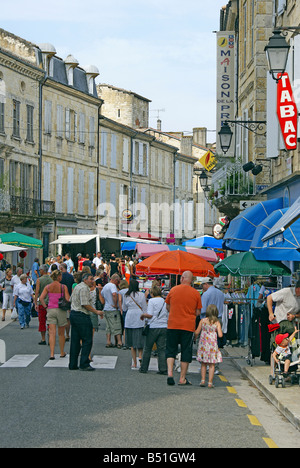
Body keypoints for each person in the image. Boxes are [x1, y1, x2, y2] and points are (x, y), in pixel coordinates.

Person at [165, 271, 202, 386]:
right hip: (188, 326)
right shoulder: (196, 293)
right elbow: (198, 312)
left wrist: (175, 312)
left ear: (182, 278)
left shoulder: (173, 290)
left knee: (171, 349)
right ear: (191, 280)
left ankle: (170, 373)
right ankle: (182, 378)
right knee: (186, 351)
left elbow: (167, 307)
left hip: (173, 324)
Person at [69, 273, 104, 371]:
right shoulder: (84, 288)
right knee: (87, 340)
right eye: (91, 279)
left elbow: (70, 299)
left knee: (75, 341)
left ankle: (73, 363)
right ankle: (84, 363)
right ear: (85, 280)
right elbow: (85, 304)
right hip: (82, 315)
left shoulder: (77, 287)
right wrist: (96, 311)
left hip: (74, 313)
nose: (92, 281)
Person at [39, 270, 70, 360]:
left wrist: (45, 307)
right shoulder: (63, 287)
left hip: (50, 309)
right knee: (61, 333)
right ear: (59, 277)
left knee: (52, 333)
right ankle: (61, 352)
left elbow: (41, 298)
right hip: (61, 310)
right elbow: (68, 299)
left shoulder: (48, 287)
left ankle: (52, 354)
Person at [140, 285, 168, 374]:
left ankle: (144, 368)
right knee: (162, 349)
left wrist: (143, 315)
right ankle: (163, 369)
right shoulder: (165, 301)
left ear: (152, 293)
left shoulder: (152, 301)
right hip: (163, 326)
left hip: (153, 326)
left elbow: (150, 314)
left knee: (148, 348)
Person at [195, 304, 223, 388]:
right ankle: (210, 382)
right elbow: (220, 335)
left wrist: (195, 338)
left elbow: (197, 332)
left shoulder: (202, 321)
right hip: (212, 345)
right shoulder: (217, 322)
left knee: (203, 363)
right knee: (212, 364)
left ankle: (203, 380)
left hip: (203, 344)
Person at [123, 278, 147, 369]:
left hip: (130, 317)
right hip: (139, 317)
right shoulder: (141, 295)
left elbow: (124, 308)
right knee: (140, 340)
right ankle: (140, 356)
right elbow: (144, 308)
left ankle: (134, 362)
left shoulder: (126, 295)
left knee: (132, 343)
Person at [100, 273, 123, 348]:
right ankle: (119, 342)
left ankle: (108, 341)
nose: (118, 283)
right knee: (116, 325)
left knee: (108, 326)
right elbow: (114, 294)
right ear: (115, 280)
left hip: (106, 308)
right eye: (118, 281)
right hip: (112, 308)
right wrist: (115, 304)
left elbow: (102, 295)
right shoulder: (113, 286)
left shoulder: (106, 286)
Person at [34, 264, 53, 344]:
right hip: (50, 302)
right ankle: (50, 337)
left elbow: (37, 292)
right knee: (50, 321)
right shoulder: (51, 279)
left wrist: (35, 303)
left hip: (42, 303)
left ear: (42, 270)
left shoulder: (39, 280)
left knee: (42, 321)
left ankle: (43, 339)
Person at [59, 263, 75, 342]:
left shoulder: (59, 277)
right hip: (68, 297)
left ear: (61, 268)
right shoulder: (71, 277)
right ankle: (67, 334)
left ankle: (61, 334)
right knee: (67, 318)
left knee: (61, 317)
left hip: (60, 298)